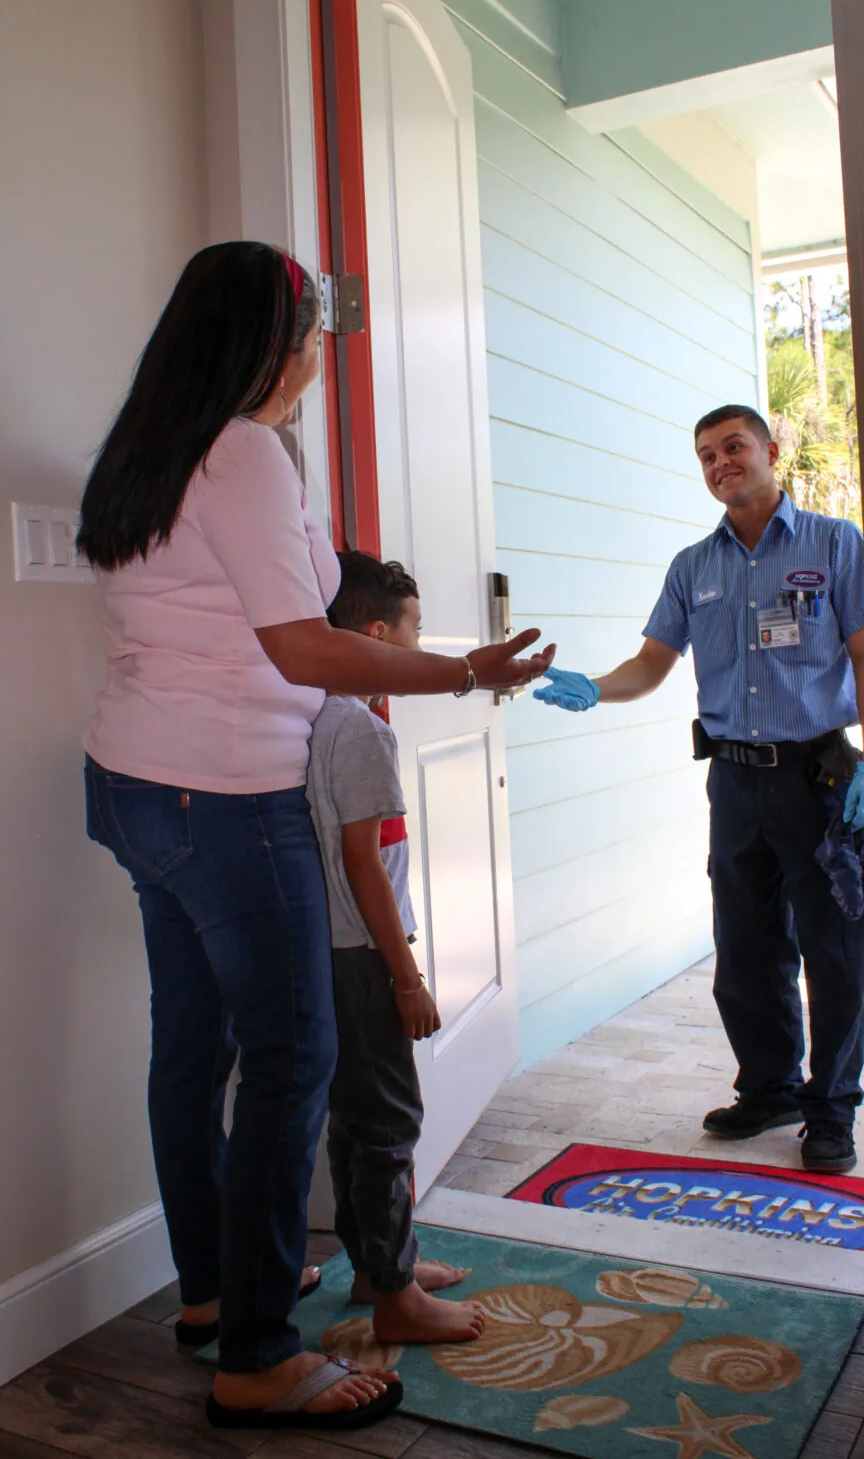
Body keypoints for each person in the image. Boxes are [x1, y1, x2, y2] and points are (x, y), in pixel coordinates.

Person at [77, 242, 554, 1432]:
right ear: (268, 341)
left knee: (191, 1050)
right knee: (294, 1058)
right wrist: (461, 671)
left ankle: (211, 1295)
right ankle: (259, 1357)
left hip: (136, 783)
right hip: (223, 800)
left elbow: (265, 607)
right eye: (310, 326)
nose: (319, 347)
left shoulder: (155, 441)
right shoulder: (240, 451)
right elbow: (300, 647)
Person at [534, 404, 864, 1176]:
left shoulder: (834, 543)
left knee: (835, 950)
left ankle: (832, 1110)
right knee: (747, 949)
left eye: (734, 447)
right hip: (734, 783)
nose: (721, 462)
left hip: (820, 776)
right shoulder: (695, 567)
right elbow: (652, 663)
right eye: (706, 455)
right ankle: (771, 1088)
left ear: (770, 451)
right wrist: (595, 685)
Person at [307, 550, 485, 1345]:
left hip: (326, 947)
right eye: (413, 632)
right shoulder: (365, 731)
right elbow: (364, 866)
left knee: (354, 1118)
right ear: (377, 636)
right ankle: (395, 1302)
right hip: (363, 954)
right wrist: (406, 978)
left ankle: (385, 1269)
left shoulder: (310, 712)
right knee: (387, 1121)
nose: (420, 649)